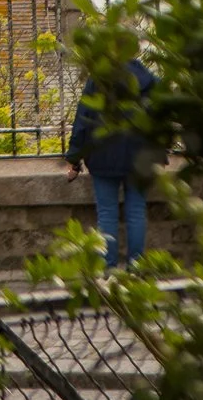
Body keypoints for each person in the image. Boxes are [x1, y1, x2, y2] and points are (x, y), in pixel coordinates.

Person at [65, 52, 158, 268]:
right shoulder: (149, 79)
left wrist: (74, 157)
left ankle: (109, 268)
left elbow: (83, 120)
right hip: (140, 156)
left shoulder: (98, 79)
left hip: (103, 153)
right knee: (136, 212)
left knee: (107, 213)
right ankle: (136, 266)